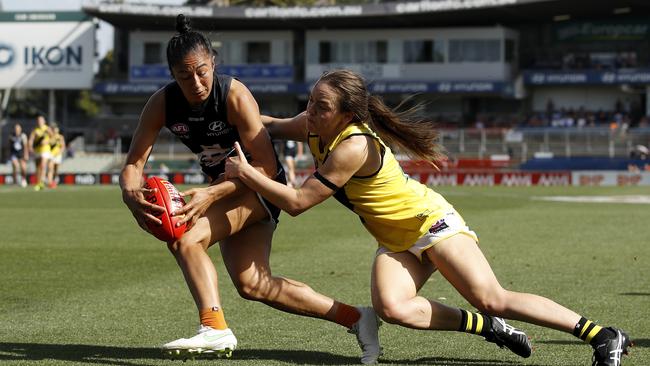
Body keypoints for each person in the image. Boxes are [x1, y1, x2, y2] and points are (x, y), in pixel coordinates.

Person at [225, 69, 633, 366]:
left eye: (321, 106)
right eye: (311, 101)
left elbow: (297, 202)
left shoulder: (353, 146)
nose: (310, 110)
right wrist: (221, 110)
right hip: (398, 240)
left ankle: (601, 335)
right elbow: (271, 125)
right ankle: (487, 328)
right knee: (392, 308)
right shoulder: (314, 127)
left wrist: (245, 174)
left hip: (429, 223)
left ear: (348, 114)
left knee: (492, 297)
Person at [119, 15, 380, 363]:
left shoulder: (235, 94)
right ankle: (357, 317)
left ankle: (214, 327)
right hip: (228, 189)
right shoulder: (162, 103)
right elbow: (134, 164)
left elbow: (267, 166)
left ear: (214, 63)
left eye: (202, 71)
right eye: (184, 75)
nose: (195, 82)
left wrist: (212, 193)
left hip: (261, 187)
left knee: (184, 237)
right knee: (253, 284)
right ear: (172, 75)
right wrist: (130, 195)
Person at [28, 115, 51, 191]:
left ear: (44, 121)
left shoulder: (47, 129)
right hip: (37, 150)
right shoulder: (35, 130)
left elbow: (53, 138)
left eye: (41, 120)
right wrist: (30, 147)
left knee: (43, 165)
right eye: (38, 120)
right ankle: (38, 183)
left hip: (45, 149)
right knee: (38, 167)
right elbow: (31, 139)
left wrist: (47, 141)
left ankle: (42, 181)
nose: (40, 122)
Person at [9, 123, 29, 188]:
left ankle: (23, 179)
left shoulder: (23, 136)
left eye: (18, 129)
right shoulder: (11, 136)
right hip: (14, 153)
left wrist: (26, 154)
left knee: (23, 168)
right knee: (15, 166)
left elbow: (26, 146)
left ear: (20, 129)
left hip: (21, 154)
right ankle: (15, 181)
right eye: (16, 129)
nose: (17, 130)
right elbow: (9, 145)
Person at [47, 124, 66, 188]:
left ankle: (55, 180)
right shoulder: (50, 137)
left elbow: (63, 146)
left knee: (56, 170)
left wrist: (59, 152)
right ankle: (50, 183)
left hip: (58, 155)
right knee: (50, 168)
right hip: (51, 155)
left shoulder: (60, 137)